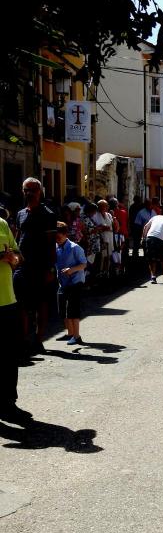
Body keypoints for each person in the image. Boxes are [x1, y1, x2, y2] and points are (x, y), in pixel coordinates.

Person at [14, 177, 57, 355]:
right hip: (22, 267)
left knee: (41, 304)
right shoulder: (20, 213)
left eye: (33, 190)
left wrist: (50, 269)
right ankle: (24, 340)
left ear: (40, 192)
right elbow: (18, 237)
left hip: (41, 267)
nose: (29, 193)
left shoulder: (48, 214)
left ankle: (38, 340)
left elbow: (51, 244)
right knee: (21, 304)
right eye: (26, 190)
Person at [0, 210, 28, 422]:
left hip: (7, 300)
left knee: (9, 356)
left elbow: (19, 255)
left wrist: (13, 258)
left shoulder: (2, 223)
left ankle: (8, 402)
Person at [55, 221, 87, 345]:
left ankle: (77, 336)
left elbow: (83, 264)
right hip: (63, 283)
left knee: (73, 310)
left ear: (65, 234)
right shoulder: (56, 247)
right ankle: (70, 333)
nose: (57, 239)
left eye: (58, 237)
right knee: (62, 309)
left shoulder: (75, 247)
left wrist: (71, 270)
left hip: (75, 282)